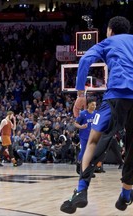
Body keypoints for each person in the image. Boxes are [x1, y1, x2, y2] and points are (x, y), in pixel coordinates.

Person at [60, 16, 133, 214]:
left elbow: (85, 60)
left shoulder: (107, 42)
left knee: (94, 140)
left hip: (116, 96)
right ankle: (126, 194)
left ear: (110, 30)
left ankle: (81, 190)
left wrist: (81, 94)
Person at [74, 97, 97, 174]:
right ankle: (79, 165)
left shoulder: (96, 114)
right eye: (92, 104)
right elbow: (75, 123)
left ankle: (89, 170)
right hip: (84, 136)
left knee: (92, 153)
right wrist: (81, 126)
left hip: (93, 137)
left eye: (95, 105)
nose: (94, 106)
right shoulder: (82, 114)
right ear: (88, 105)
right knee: (83, 151)